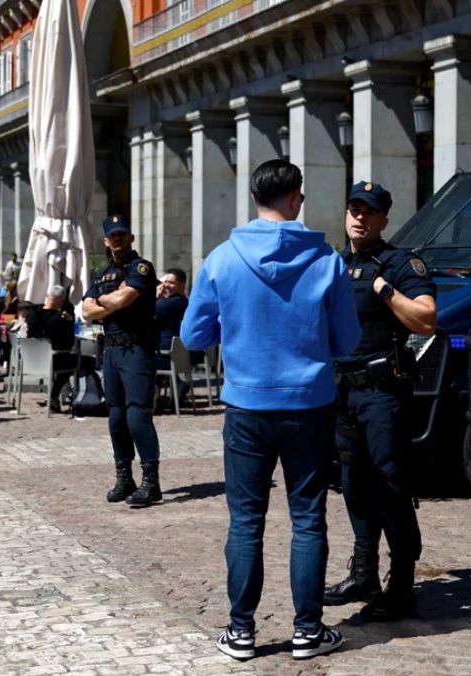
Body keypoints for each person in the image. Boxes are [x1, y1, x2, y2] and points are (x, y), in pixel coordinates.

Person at [180, 160, 360, 662]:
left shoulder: (221, 259)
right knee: (308, 518)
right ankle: (308, 630)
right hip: (310, 404)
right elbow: (347, 340)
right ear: (296, 198)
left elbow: (193, 336)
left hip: (247, 404)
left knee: (246, 521)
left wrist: (235, 331)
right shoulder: (327, 260)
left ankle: (241, 631)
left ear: (255, 197)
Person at [322, 181, 436, 621]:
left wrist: (385, 291)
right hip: (343, 391)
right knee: (353, 486)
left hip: (381, 393)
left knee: (390, 488)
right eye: (353, 209)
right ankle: (364, 573)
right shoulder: (333, 264)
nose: (359, 217)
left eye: (369, 211)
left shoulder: (400, 263)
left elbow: (426, 319)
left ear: (384, 219)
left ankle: (402, 586)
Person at [81, 215, 164, 508]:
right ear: (106, 241)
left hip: (137, 348)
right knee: (116, 416)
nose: (117, 239)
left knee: (137, 415)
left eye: (122, 235)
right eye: (112, 236)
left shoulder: (141, 267)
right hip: (112, 351)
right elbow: (85, 311)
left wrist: (104, 302)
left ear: (131, 238)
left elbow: (119, 302)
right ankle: (124, 477)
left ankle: (151, 482)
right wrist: (107, 302)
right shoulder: (102, 273)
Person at [26, 285, 78, 413]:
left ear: (47, 297)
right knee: (76, 360)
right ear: (61, 301)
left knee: (62, 358)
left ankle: (54, 397)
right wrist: (70, 322)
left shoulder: (31, 314)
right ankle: (55, 396)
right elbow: (69, 343)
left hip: (29, 361)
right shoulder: (60, 320)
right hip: (51, 362)